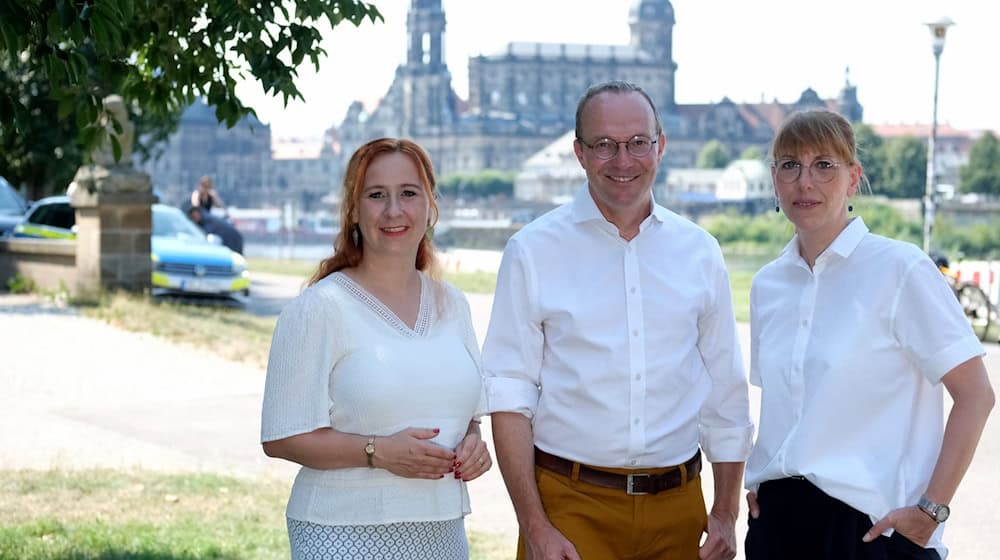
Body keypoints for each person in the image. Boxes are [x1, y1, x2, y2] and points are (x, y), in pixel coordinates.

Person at [483, 80, 753, 560]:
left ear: (660, 146)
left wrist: (726, 512)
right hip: (570, 507)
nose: (623, 160)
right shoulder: (533, 251)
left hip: (678, 511)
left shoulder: (700, 253)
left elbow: (726, 393)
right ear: (579, 153)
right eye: (604, 145)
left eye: (637, 143)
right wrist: (534, 525)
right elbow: (509, 396)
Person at [745, 109, 995, 560]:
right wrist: (765, 481)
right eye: (790, 165)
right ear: (775, 179)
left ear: (853, 178)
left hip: (870, 533)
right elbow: (787, 411)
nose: (805, 181)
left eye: (824, 165)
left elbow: (977, 395)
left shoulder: (901, 269)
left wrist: (931, 511)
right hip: (777, 528)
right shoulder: (768, 284)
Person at [260, 137, 492, 560]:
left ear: (430, 205)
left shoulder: (453, 305)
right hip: (342, 531)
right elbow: (282, 437)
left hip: (442, 532)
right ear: (353, 209)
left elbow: (468, 417)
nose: (393, 211)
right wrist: (377, 452)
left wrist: (474, 445)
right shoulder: (318, 308)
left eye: (408, 193)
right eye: (376, 195)